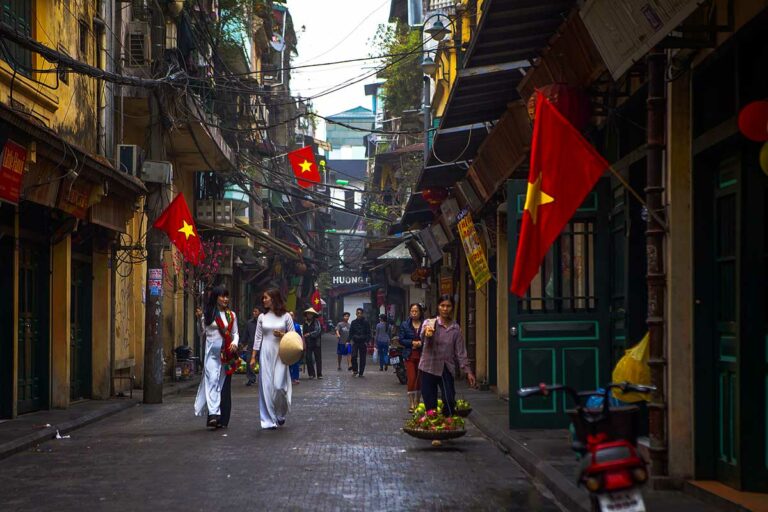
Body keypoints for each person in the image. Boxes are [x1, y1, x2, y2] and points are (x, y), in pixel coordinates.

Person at [419, 295, 476, 416]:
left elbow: (461, 352)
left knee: (449, 400)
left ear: (452, 308)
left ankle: (447, 422)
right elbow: (423, 337)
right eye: (442, 306)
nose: (445, 309)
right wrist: (427, 332)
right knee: (430, 402)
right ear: (438, 307)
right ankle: (432, 425)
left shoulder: (455, 329)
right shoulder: (429, 323)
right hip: (429, 366)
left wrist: (468, 372)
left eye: (448, 306)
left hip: (446, 368)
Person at [194, 285, 239, 429]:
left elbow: (235, 333)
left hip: (226, 356)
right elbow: (201, 333)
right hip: (211, 355)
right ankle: (213, 414)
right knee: (212, 381)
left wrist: (235, 343)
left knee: (221, 385)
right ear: (216, 297)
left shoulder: (231, 315)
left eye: (227, 296)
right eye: (222, 296)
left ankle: (220, 417)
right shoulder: (208, 314)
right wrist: (198, 319)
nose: (225, 299)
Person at [250, 288, 295, 430]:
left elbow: (293, 336)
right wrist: (253, 357)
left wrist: (282, 335)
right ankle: (269, 419)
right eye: (263, 298)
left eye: (266, 298)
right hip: (266, 353)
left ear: (274, 299)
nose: (263, 300)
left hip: (281, 352)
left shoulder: (286, 316)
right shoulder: (262, 318)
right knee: (267, 387)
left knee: (279, 386)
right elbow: (258, 338)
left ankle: (281, 413)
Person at [399, 303, 425, 412]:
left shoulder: (425, 324)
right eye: (412, 311)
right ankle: (411, 402)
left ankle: (418, 402)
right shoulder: (405, 325)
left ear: (420, 312)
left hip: (422, 355)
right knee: (411, 378)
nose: (414, 313)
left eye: (416, 311)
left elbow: (430, 338)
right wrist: (411, 342)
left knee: (419, 379)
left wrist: (421, 343)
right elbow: (401, 339)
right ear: (409, 312)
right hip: (409, 355)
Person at [348, 308, 371, 377]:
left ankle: (361, 372)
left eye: (360, 313)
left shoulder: (366, 322)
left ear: (362, 314)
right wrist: (348, 341)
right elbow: (351, 332)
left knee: (362, 358)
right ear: (356, 314)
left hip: (363, 342)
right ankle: (355, 370)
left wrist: (367, 341)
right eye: (358, 313)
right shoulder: (353, 322)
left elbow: (368, 333)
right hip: (355, 342)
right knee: (353, 356)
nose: (359, 314)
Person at [242, 307, 261, 386]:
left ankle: (263, 378)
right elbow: (245, 334)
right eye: (253, 311)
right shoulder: (249, 323)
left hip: (261, 345)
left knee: (262, 362)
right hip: (251, 345)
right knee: (249, 361)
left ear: (259, 312)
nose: (254, 313)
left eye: (256, 311)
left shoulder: (262, 322)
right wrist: (242, 343)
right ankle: (251, 378)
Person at [303, 307, 323, 379]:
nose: (309, 315)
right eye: (308, 314)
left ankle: (319, 374)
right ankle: (311, 374)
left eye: (311, 314)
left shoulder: (316, 322)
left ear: (313, 315)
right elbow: (303, 332)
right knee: (308, 358)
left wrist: (309, 334)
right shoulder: (305, 323)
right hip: (308, 343)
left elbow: (318, 331)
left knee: (318, 359)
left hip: (316, 343)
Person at [289, 311, 302, 385]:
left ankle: (295, 378)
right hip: (287, 346)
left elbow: (300, 336)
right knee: (288, 363)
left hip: (295, 345)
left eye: (292, 315)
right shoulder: (284, 326)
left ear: (294, 317)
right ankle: (289, 377)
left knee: (296, 363)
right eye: (289, 315)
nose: (290, 317)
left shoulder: (297, 326)